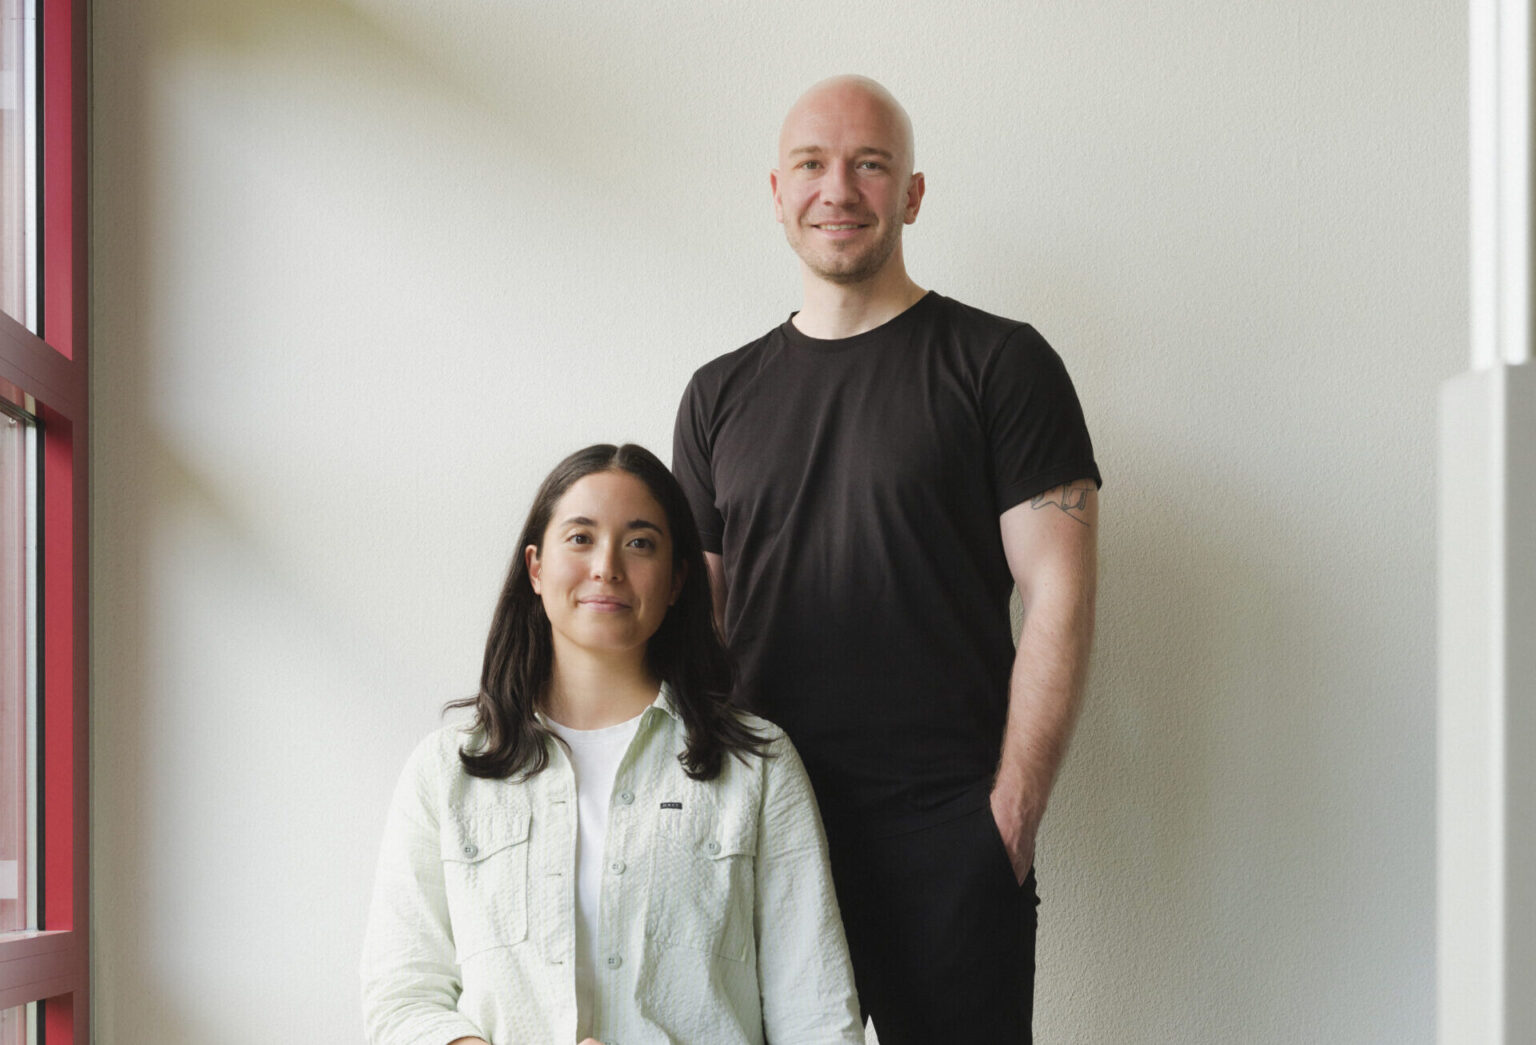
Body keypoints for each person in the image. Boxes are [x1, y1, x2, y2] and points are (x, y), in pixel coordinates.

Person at [672, 75, 1101, 1043]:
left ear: (912, 193)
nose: (838, 189)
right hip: (763, 829)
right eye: (811, 165)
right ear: (776, 192)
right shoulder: (716, 395)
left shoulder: (1001, 363)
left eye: (870, 164)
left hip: (948, 833)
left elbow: (1061, 592)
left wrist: (1009, 819)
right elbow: (698, 625)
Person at [361, 443, 863, 1045]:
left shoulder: (758, 765)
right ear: (535, 567)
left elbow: (817, 1017)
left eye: (640, 542)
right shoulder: (447, 771)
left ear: (677, 579)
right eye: (580, 538)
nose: (607, 567)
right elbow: (401, 999)